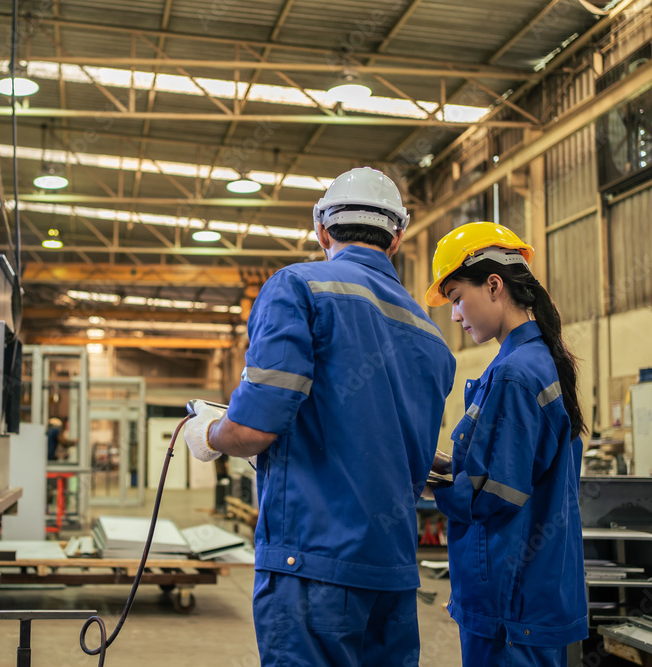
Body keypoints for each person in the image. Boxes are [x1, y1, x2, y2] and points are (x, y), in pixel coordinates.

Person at [185, 167, 456, 666]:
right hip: (393, 577)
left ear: (322, 230)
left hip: (311, 566)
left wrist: (209, 433)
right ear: (397, 237)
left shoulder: (298, 288)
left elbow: (250, 429)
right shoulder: (433, 338)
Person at [424, 221, 587, 667]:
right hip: (532, 593)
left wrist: (426, 480)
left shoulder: (515, 373)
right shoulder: (536, 362)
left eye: (457, 299)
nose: (455, 315)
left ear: (494, 285)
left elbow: (493, 492)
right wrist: (441, 464)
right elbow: (506, 468)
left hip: (508, 600)